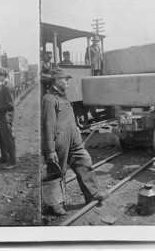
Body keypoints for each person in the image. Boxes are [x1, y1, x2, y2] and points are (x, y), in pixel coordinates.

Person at [42, 67, 109, 216]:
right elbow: (48, 126)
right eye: (65, 79)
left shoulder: (63, 96)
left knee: (84, 161)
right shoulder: (49, 99)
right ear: (56, 81)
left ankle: (92, 193)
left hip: (73, 138)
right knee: (58, 171)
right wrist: (50, 150)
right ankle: (55, 204)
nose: (67, 82)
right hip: (59, 140)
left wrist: (77, 132)